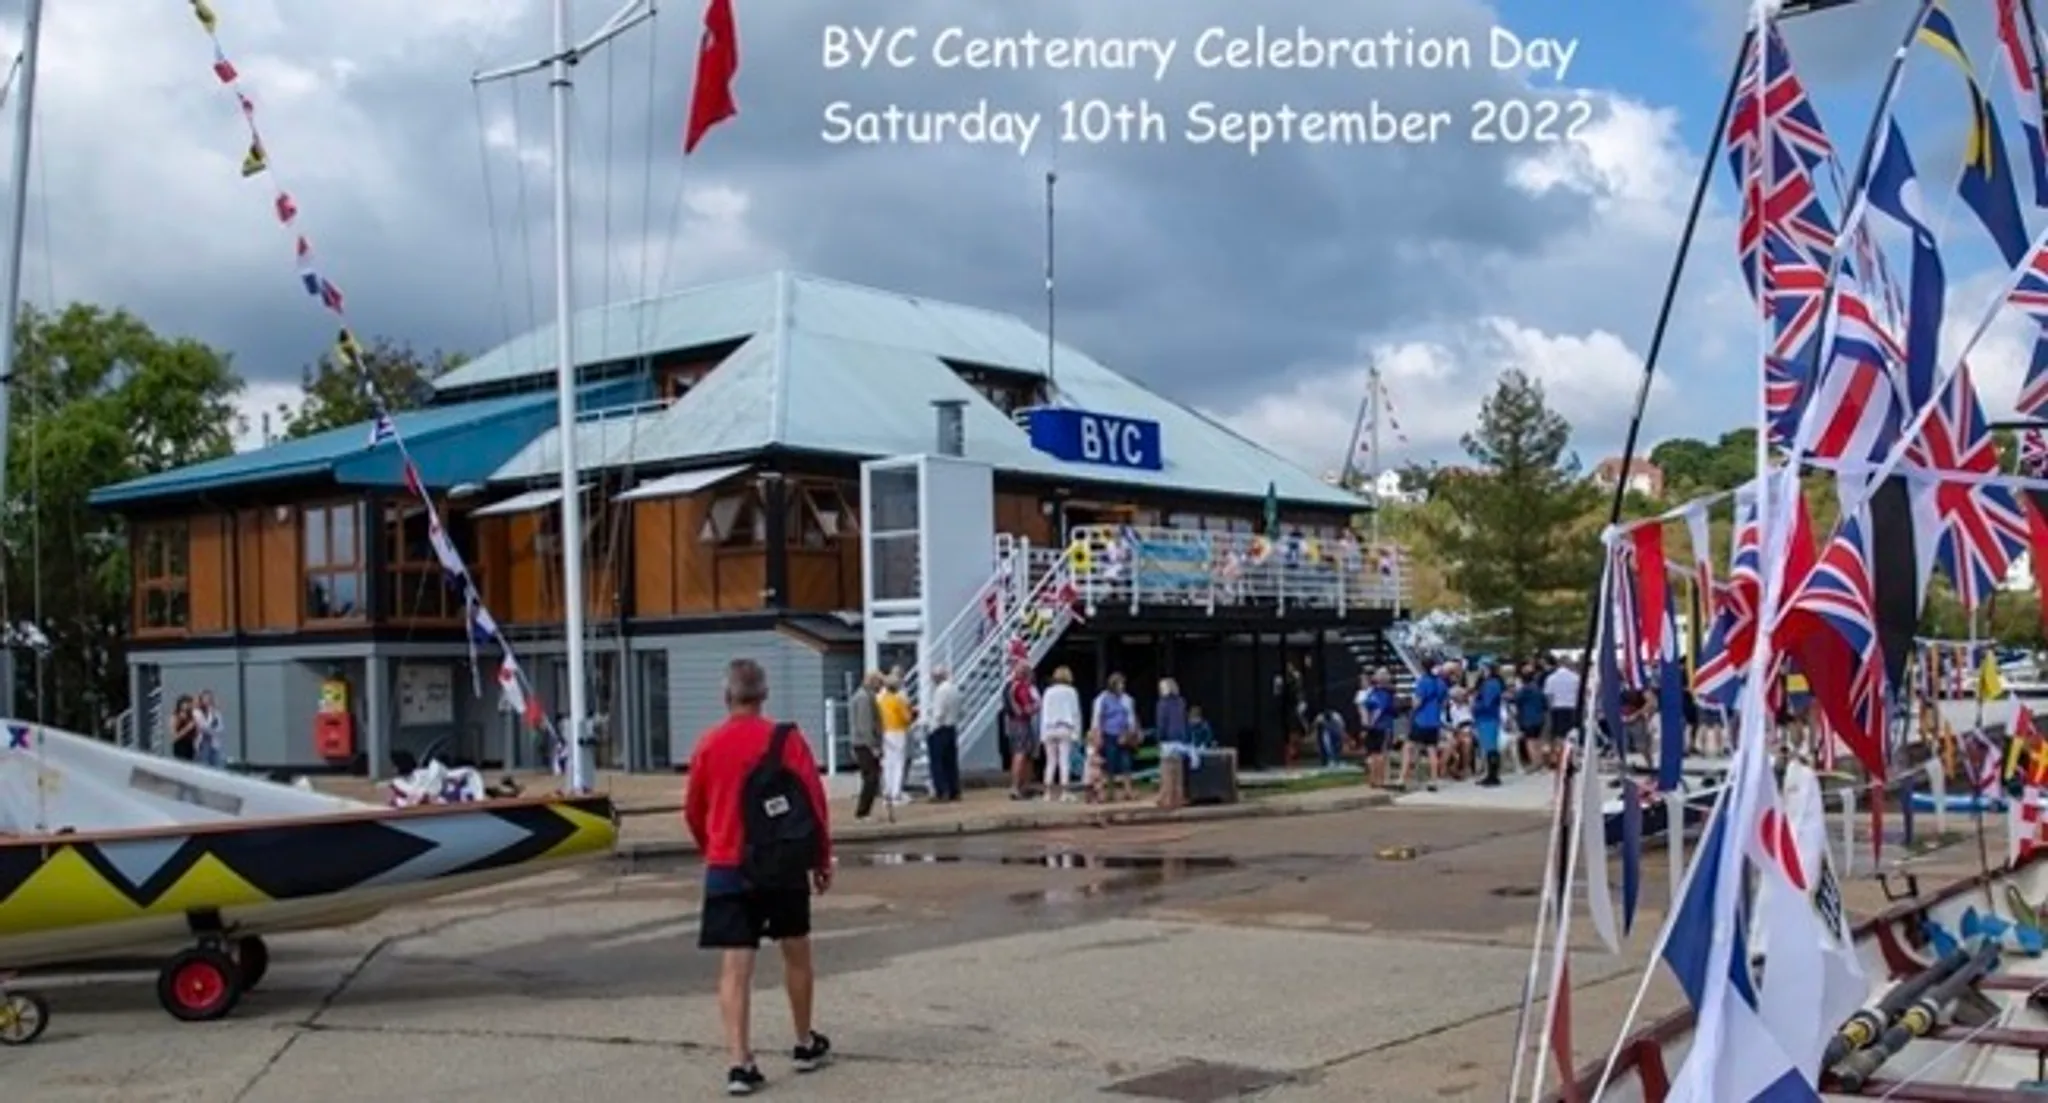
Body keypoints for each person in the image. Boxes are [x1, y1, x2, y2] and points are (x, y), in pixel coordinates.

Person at [682, 659, 835, 1095]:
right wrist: (821, 859)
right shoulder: (786, 741)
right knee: (797, 954)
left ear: (726, 696)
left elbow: (694, 808)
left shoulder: (708, 744)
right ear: (764, 695)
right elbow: (813, 802)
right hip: (782, 864)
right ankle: (805, 1042)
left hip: (728, 865)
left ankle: (739, 1062)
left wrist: (710, 846)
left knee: (735, 968)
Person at [1091, 672, 1139, 803]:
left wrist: (1132, 732)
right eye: (1120, 684)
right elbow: (1098, 717)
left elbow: (1131, 717)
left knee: (1126, 763)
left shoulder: (1127, 699)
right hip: (1109, 734)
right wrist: (1097, 734)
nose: (1122, 686)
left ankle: (1128, 790)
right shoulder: (1102, 698)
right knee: (1109, 764)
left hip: (1124, 735)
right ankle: (1109, 792)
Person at [1399, 662, 1446, 792]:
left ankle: (1402, 779)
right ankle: (1433, 780)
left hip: (1421, 720)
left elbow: (1417, 702)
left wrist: (1411, 710)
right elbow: (1443, 701)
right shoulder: (1441, 683)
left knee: (1408, 747)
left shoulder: (1423, 682)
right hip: (1434, 721)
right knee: (1432, 750)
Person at [1039, 667, 1082, 802]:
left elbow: (1044, 713)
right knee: (1064, 761)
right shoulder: (1071, 692)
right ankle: (1065, 792)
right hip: (1065, 727)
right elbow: (1075, 713)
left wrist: (1042, 734)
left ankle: (1047, 793)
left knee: (1050, 762)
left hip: (1049, 727)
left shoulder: (1048, 692)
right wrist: (1077, 733)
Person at [1002, 662, 1040, 801]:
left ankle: (1019, 786)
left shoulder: (1009, 686)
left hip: (1012, 722)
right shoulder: (1022, 687)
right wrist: (1037, 706)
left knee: (1018, 753)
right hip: (1022, 722)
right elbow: (1028, 708)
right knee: (1021, 754)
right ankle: (1017, 787)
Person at [847, 672, 882, 820]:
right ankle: (863, 812)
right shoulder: (863, 698)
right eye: (878, 683)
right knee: (871, 777)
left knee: (871, 777)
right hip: (864, 743)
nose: (880, 687)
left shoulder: (865, 696)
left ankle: (865, 810)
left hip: (862, 742)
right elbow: (865, 724)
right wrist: (873, 745)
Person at [875, 671, 914, 807]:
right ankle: (896, 793)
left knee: (887, 763)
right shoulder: (898, 700)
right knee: (898, 763)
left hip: (885, 731)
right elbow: (906, 718)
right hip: (897, 731)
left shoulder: (880, 700)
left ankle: (888, 792)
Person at [925, 665, 963, 803]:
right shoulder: (955, 688)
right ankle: (954, 790)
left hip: (940, 729)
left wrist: (931, 729)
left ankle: (942, 791)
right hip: (951, 727)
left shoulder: (940, 691)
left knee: (938, 762)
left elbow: (938, 713)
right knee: (951, 761)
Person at [1357, 669, 1396, 789]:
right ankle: (1379, 779)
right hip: (1382, 727)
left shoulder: (1373, 693)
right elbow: (1378, 710)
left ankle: (1373, 779)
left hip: (1375, 727)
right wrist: (1370, 724)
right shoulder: (1385, 694)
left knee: (1374, 754)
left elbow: (1365, 707)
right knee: (1379, 754)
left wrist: (1366, 724)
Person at [1542, 658, 1582, 768]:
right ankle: (1570, 759)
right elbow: (1580, 694)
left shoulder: (1551, 678)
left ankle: (1559, 758)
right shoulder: (1575, 677)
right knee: (1572, 735)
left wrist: (1550, 709)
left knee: (1558, 735)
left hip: (1557, 708)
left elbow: (1548, 695)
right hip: (1572, 708)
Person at [1473, 663, 1506, 787]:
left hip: (1487, 718)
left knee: (1490, 747)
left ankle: (1493, 776)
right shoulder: (1494, 683)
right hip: (1489, 717)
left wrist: (1475, 706)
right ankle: (1491, 774)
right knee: (1490, 747)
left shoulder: (1490, 684)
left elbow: (1487, 703)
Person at [1514, 666, 1548, 773]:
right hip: (1539, 717)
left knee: (1530, 741)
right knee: (1538, 740)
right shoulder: (1538, 689)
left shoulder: (1523, 690)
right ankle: (1541, 763)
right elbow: (1545, 703)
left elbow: (1517, 701)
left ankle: (1535, 763)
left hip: (1527, 719)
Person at [193, 690, 226, 768]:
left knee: (218, 765)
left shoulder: (216, 713)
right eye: (206, 698)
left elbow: (220, 728)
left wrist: (212, 713)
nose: (208, 700)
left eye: (210, 698)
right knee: (204, 766)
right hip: (202, 743)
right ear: (201, 699)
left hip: (214, 743)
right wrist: (211, 716)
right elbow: (203, 727)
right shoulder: (197, 712)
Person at [169, 695, 198, 761]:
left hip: (190, 745)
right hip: (180, 745)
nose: (188, 705)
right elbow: (175, 736)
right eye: (186, 703)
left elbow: (195, 734)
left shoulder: (191, 716)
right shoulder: (176, 716)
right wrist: (187, 728)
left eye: (189, 703)